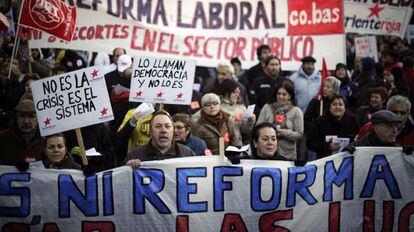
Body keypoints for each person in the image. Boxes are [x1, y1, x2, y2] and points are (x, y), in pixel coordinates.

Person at [125, 111, 196, 168]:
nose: (163, 130)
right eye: (158, 126)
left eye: (167, 126)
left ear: (173, 130)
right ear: (150, 131)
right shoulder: (134, 156)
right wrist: (128, 169)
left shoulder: (188, 155)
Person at [257, 80, 303, 160]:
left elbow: (299, 135)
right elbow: (257, 128)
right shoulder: (267, 107)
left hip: (287, 155)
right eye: (279, 94)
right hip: (266, 153)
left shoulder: (296, 111)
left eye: (284, 94)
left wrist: (284, 133)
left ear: (290, 96)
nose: (281, 97)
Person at [0, 99, 43, 166]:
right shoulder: (2, 138)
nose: (26, 121)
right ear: (15, 117)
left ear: (38, 118)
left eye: (32, 116)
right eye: (21, 116)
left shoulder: (47, 139)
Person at [219, 79, 256, 144]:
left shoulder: (241, 107)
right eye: (234, 92)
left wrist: (250, 121)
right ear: (226, 93)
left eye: (238, 92)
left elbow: (244, 130)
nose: (237, 95)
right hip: (222, 143)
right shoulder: (218, 107)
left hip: (238, 143)